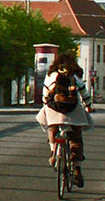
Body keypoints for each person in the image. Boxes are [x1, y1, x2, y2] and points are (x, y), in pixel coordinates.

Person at [36, 52, 93, 187]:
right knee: (76, 138)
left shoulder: (51, 75)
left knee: (52, 128)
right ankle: (77, 169)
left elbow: (45, 95)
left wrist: (47, 104)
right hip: (72, 109)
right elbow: (84, 93)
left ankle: (53, 152)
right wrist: (89, 106)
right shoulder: (74, 75)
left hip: (54, 108)